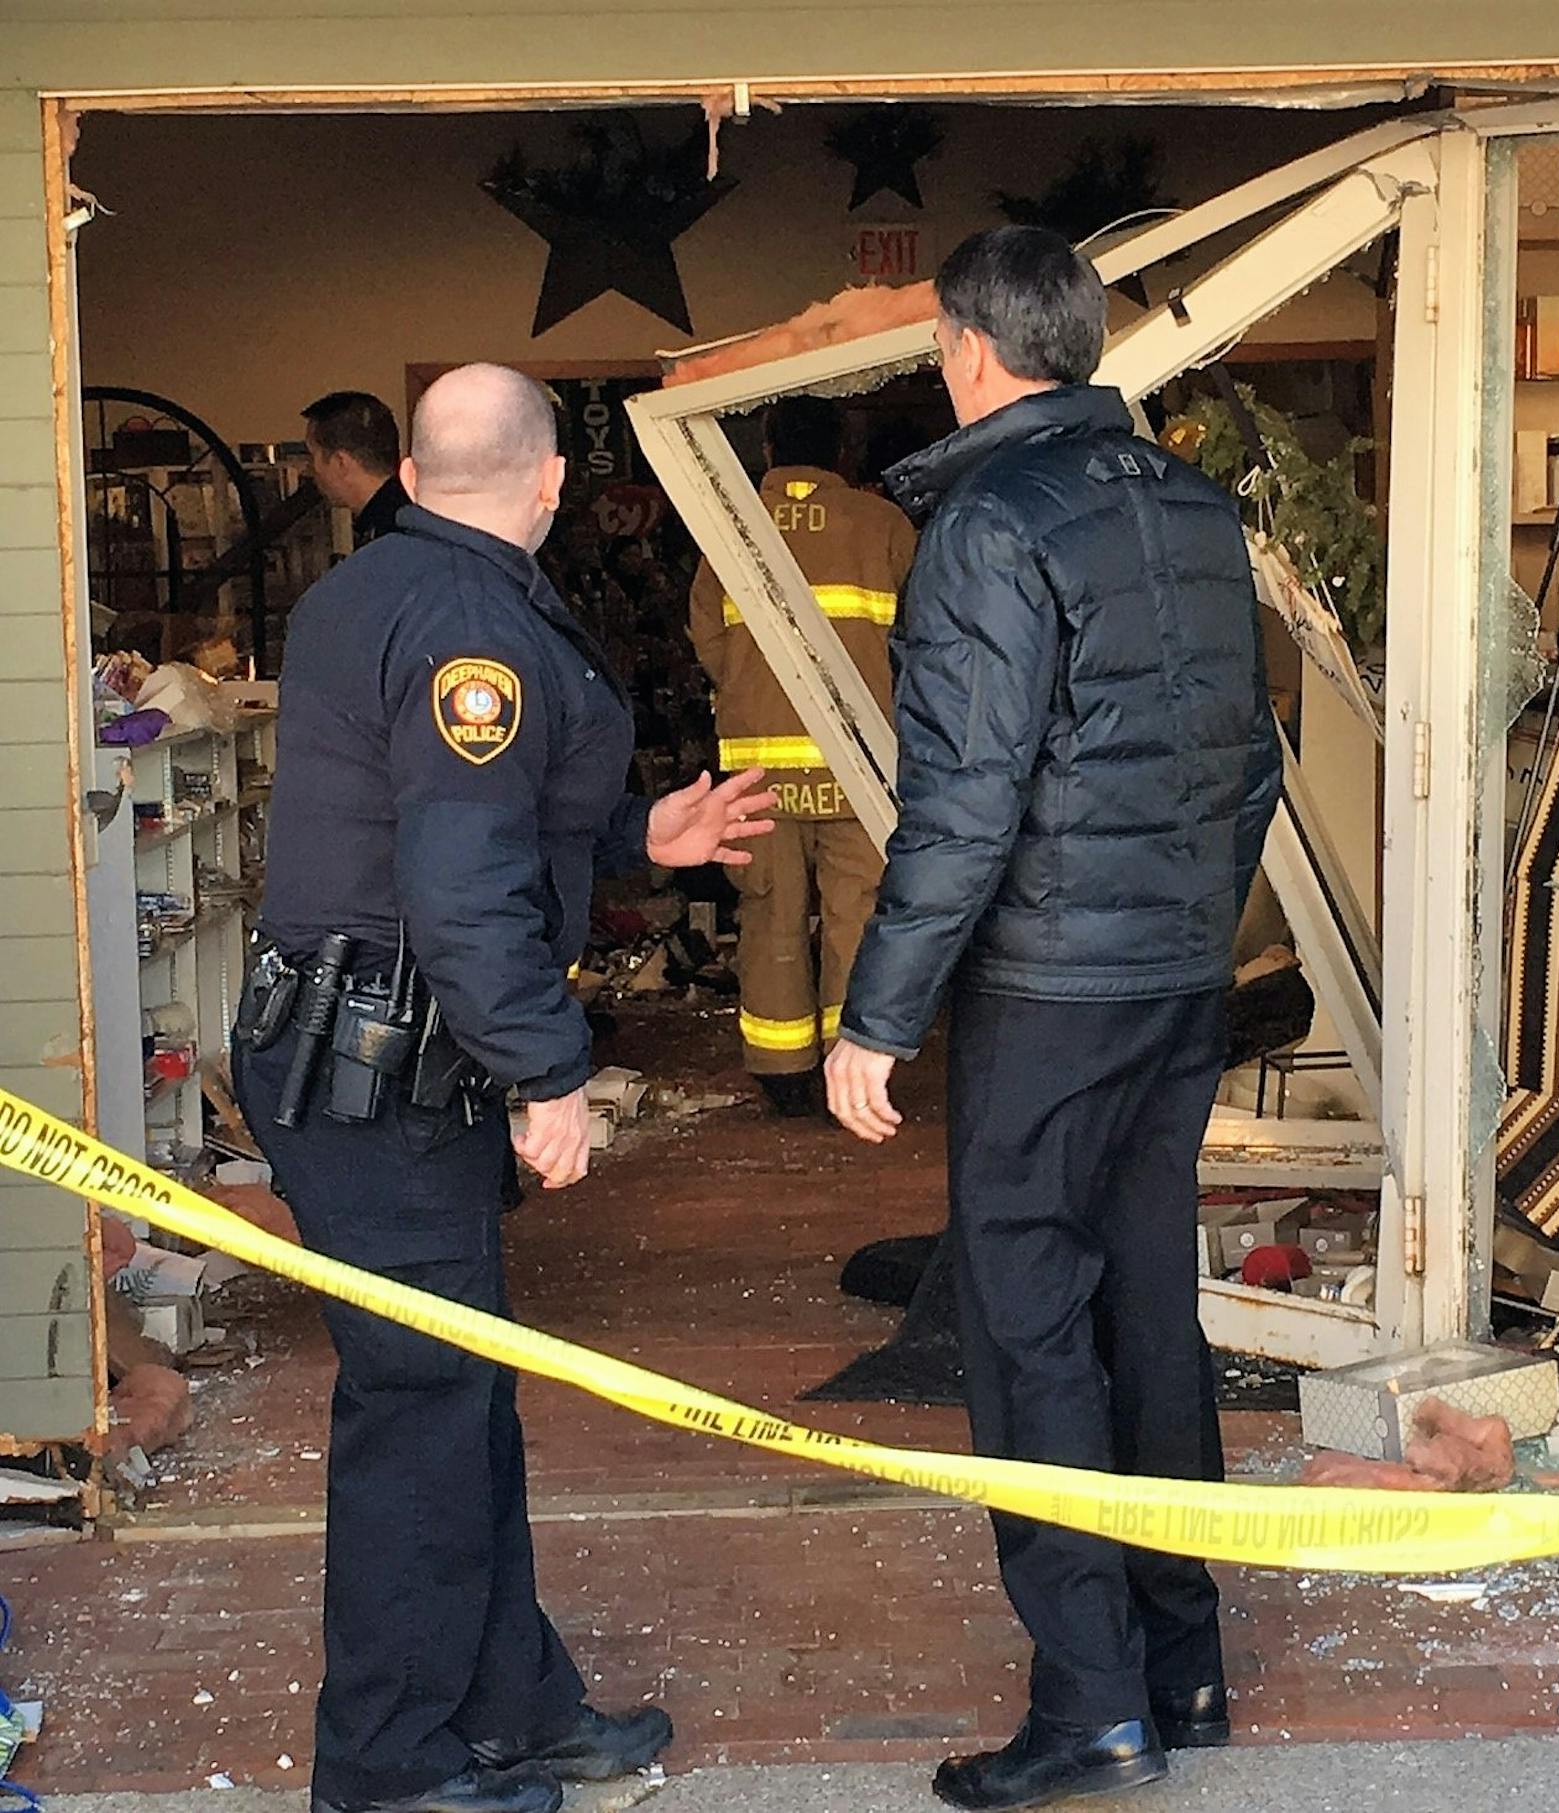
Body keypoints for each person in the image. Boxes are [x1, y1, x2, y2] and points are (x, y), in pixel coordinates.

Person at [235, 363, 777, 1813]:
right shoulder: (477, 621)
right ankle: (388, 1766)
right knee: (421, 1405)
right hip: (387, 1071)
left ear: (409, 475)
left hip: (372, 1053)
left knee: (461, 1393)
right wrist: (551, 1074)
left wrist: (630, 831)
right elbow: (461, 879)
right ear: (548, 482)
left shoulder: (376, 588)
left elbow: (461, 810)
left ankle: (512, 1709)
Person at [824, 227, 1282, 1810]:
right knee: (1150, 1311)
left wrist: (876, 1017)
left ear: (966, 345)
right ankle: (1185, 1658)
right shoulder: (1193, 506)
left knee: (1030, 1339)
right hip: (1170, 977)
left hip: (1047, 990)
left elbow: (963, 803)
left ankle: (1092, 1706)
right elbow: (1254, 764)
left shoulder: (987, 522)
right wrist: (1187, 926)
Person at [687, 396, 914, 1117]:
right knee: (858, 914)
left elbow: (709, 642)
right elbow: (922, 641)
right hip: (862, 766)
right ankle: (859, 1068)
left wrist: (757, 695)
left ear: (767, 446)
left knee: (770, 911)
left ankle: (784, 1073)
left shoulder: (727, 524)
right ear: (846, 447)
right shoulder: (883, 525)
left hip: (761, 770)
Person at [304, 389, 411, 543]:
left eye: (312, 456)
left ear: (341, 462)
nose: (309, 469)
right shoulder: (406, 514)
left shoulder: (390, 533)